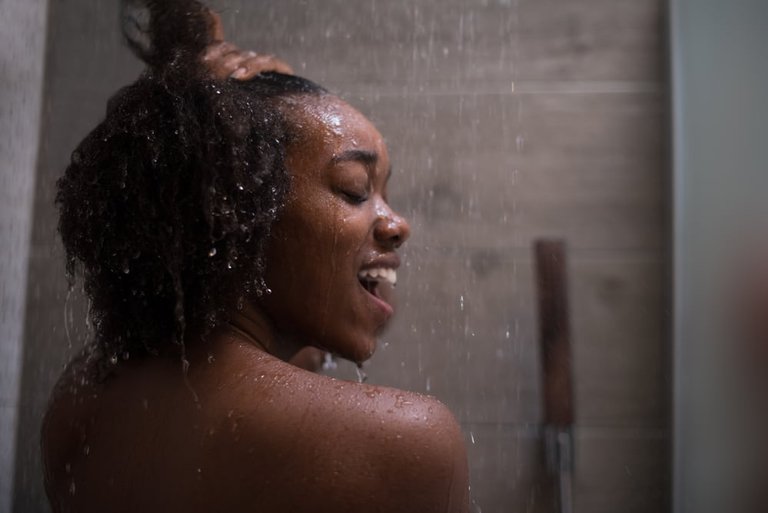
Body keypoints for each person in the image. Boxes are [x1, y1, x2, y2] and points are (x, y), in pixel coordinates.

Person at [42, 1, 470, 512]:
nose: (398, 224)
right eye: (356, 189)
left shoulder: (82, 403)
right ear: (241, 212)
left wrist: (201, 94)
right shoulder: (408, 442)